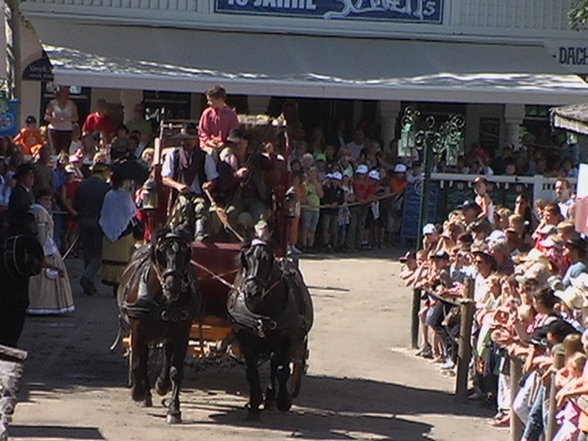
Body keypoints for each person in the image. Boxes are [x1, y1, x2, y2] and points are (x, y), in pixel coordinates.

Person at [161, 124, 218, 241]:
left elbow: (213, 178)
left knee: (201, 208)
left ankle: (200, 234)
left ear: (195, 139)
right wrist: (178, 185)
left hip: (198, 194)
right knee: (184, 206)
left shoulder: (204, 157)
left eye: (188, 139)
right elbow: (165, 178)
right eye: (183, 139)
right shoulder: (173, 155)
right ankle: (183, 230)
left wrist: (209, 184)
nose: (185, 142)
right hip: (181, 195)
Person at [27, 189, 74, 315]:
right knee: (43, 278)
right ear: (38, 200)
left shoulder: (40, 211)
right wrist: (42, 251)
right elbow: (41, 236)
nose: (48, 202)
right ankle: (41, 305)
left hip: (47, 246)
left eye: (49, 199)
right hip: (45, 249)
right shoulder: (39, 211)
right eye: (45, 199)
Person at [74, 162, 112, 296]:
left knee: (87, 252)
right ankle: (87, 277)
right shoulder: (106, 188)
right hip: (98, 222)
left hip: (83, 221)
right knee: (98, 254)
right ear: (104, 172)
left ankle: (89, 285)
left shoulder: (82, 185)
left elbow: (76, 203)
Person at [99, 170, 137, 296]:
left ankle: (114, 281)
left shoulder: (108, 195)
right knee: (123, 258)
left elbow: (105, 212)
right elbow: (130, 212)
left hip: (110, 229)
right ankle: (120, 282)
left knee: (115, 257)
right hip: (124, 231)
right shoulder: (125, 195)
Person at [198, 85, 239, 152]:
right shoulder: (207, 113)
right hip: (208, 144)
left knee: (226, 154)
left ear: (220, 100)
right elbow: (202, 132)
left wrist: (224, 143)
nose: (208, 103)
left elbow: (233, 134)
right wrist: (208, 142)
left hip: (225, 146)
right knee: (210, 153)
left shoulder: (231, 115)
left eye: (211, 100)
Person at [44, 85, 79, 154]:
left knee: (65, 151)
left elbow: (76, 117)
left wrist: (66, 119)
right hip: (54, 130)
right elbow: (46, 116)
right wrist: (55, 120)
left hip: (67, 131)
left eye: (65, 91)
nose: (64, 93)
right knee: (54, 151)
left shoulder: (71, 104)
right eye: (62, 91)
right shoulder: (52, 103)